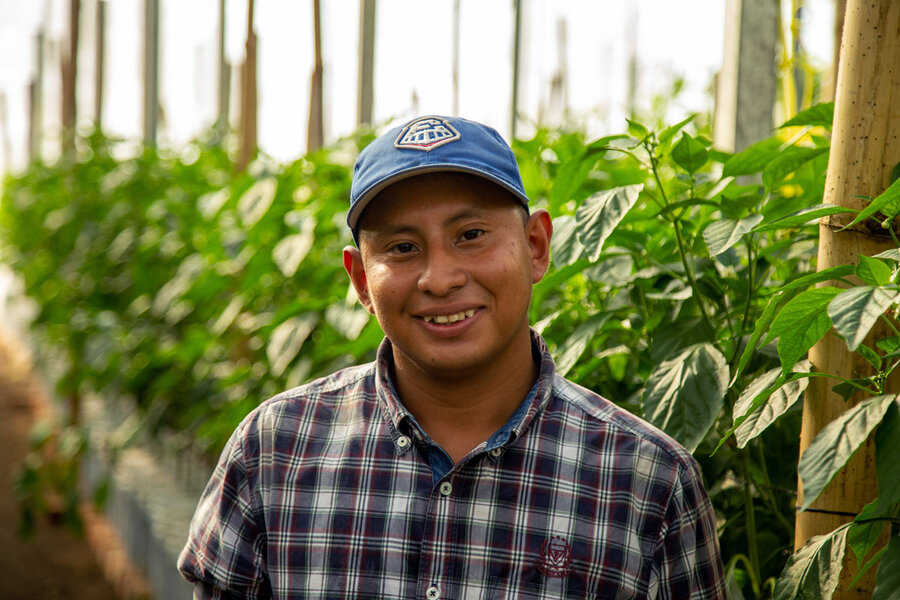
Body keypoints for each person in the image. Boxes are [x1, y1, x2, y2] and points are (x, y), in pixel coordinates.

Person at [177, 115, 726, 599]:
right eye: (402, 248)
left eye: (471, 234)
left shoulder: (646, 480)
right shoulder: (274, 451)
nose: (440, 279)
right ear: (362, 280)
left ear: (536, 246)